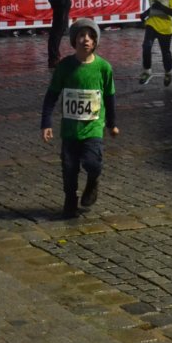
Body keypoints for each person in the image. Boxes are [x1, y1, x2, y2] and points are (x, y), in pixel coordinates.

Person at [39, 18, 119, 219]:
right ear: (74, 40)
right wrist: (46, 122)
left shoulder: (104, 67)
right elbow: (52, 95)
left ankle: (92, 181)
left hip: (93, 127)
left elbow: (110, 97)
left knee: (93, 162)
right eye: (81, 35)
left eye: (91, 36)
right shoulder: (65, 67)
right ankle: (70, 201)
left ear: (96, 41)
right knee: (69, 167)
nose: (86, 39)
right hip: (70, 129)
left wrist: (112, 124)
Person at [138, 0, 172, 86]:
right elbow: (153, 8)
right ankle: (147, 71)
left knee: (165, 52)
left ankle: (168, 72)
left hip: (166, 27)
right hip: (152, 24)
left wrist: (161, 6)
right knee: (146, 46)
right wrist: (144, 14)